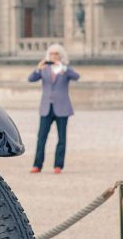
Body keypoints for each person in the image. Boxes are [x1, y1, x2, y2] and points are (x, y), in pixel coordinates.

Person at [28, 43, 80, 174]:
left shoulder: (65, 69)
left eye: (56, 54)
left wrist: (65, 69)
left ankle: (58, 165)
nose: (54, 56)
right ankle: (37, 165)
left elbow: (77, 76)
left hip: (62, 108)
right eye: (51, 53)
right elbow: (31, 79)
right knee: (41, 137)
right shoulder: (44, 68)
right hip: (46, 107)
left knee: (61, 138)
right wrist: (37, 69)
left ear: (61, 55)